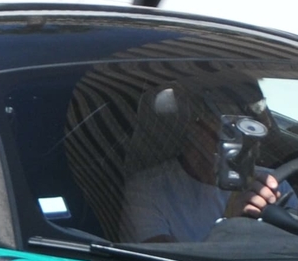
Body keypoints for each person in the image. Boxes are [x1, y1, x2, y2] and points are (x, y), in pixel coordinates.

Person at [122, 99, 287, 244]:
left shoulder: (273, 184)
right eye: (228, 132)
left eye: (251, 136)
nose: (242, 145)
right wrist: (231, 225)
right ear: (196, 130)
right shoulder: (148, 191)